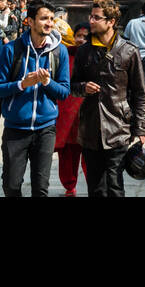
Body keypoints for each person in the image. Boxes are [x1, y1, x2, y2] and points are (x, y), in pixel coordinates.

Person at [71, 0, 145, 197]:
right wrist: (83, 87)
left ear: (111, 22)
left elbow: (140, 94)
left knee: (115, 186)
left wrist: (140, 127)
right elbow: (72, 86)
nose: (91, 21)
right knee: (95, 187)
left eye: (97, 17)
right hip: (90, 127)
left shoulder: (129, 51)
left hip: (118, 127)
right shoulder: (84, 51)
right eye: (91, 16)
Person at [0, 0, 70, 197]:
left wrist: (47, 83)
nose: (49, 23)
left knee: (40, 188)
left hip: (46, 129)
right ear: (30, 21)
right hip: (15, 128)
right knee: (11, 185)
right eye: (44, 18)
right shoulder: (11, 50)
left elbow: (64, 92)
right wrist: (21, 84)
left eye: (52, 19)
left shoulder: (59, 51)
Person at [55, 22, 90, 195]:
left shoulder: (97, 57)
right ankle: (70, 186)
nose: (81, 40)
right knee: (68, 153)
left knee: (92, 156)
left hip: (89, 115)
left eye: (85, 36)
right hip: (68, 114)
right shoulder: (64, 55)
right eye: (79, 36)